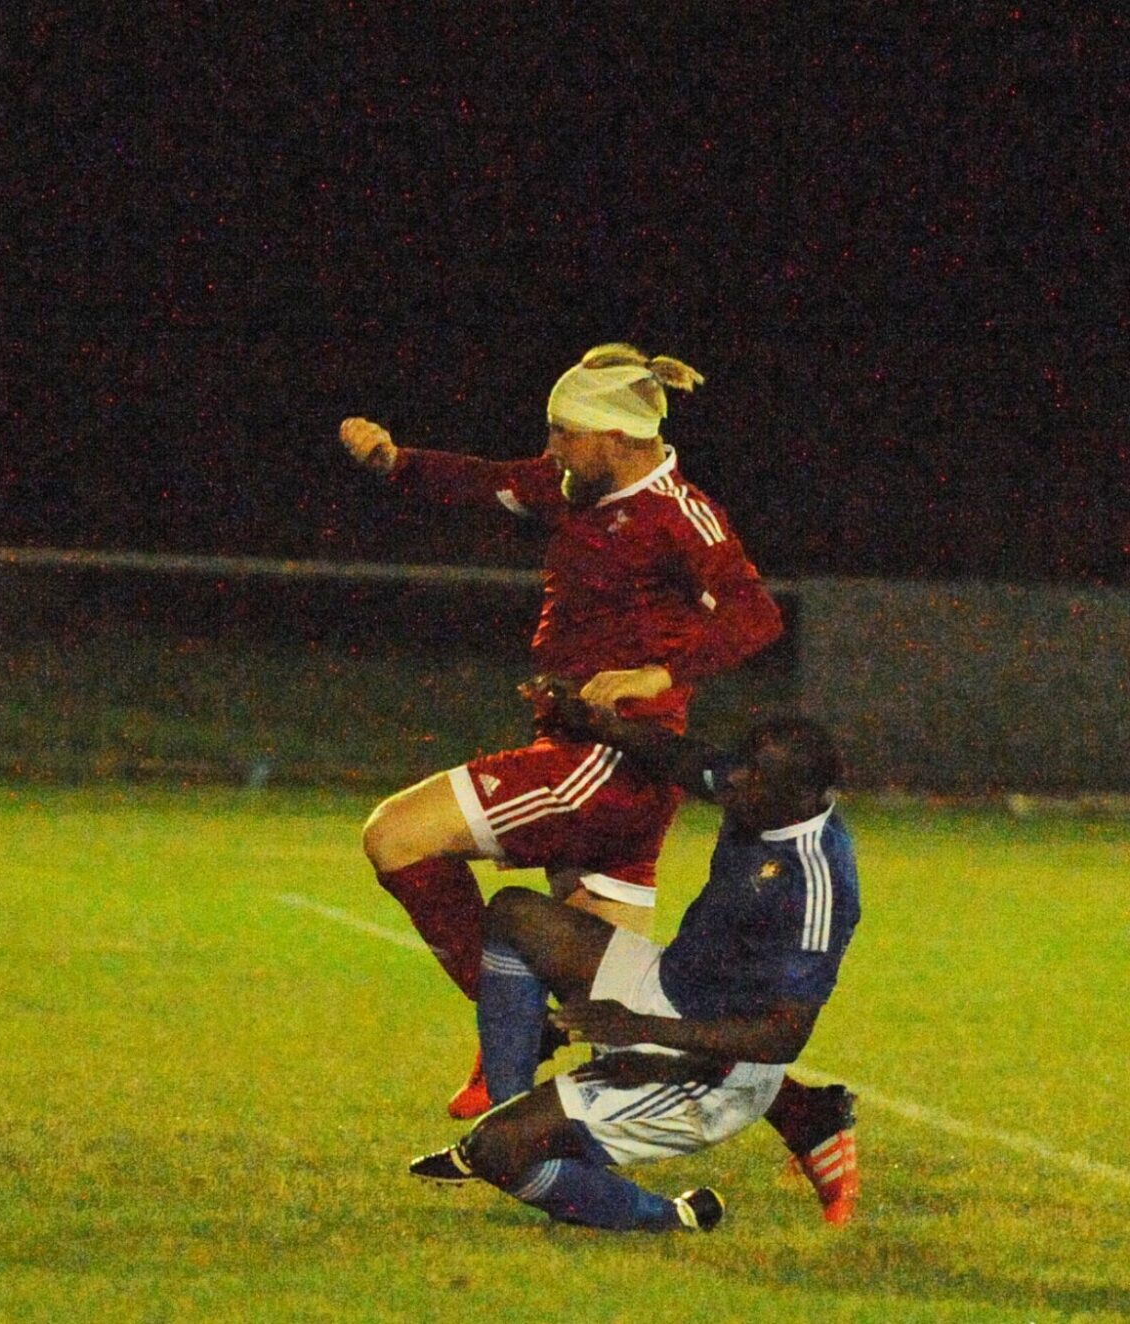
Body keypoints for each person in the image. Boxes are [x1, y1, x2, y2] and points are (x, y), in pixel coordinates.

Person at [340, 344, 857, 1221]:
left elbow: (755, 613)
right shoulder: (575, 484)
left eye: (561, 434)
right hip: (604, 758)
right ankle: (806, 1111)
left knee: (396, 837)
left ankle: (514, 1033)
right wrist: (398, 465)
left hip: (611, 760)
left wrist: (660, 674)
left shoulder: (679, 514)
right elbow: (490, 483)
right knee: (613, 1007)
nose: (547, 450)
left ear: (617, 438)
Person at [408, 693, 860, 1234]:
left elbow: (782, 1038)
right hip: (663, 982)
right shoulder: (758, 795)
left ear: (804, 796)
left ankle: (674, 1218)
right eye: (741, 762)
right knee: (513, 916)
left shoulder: (815, 881)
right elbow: (681, 757)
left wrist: (636, 1028)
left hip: (714, 1071)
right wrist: (599, 723)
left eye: (755, 775)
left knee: (497, 1151)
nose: (734, 780)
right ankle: (511, 1110)